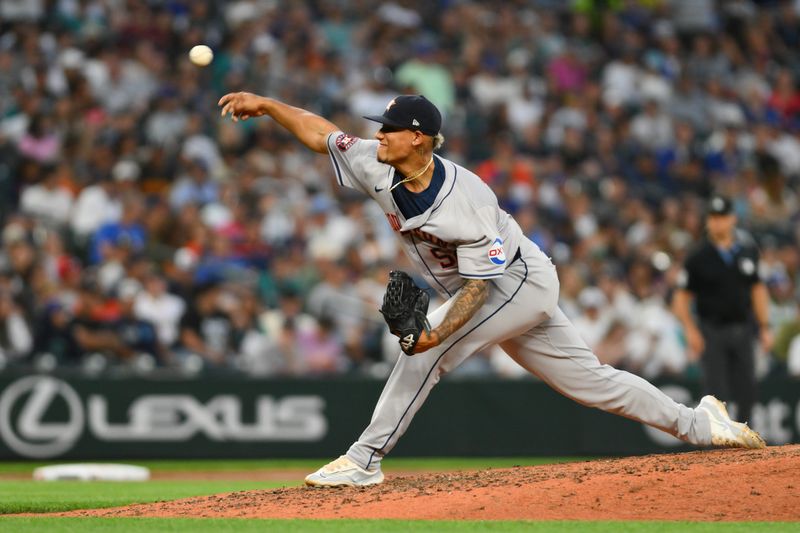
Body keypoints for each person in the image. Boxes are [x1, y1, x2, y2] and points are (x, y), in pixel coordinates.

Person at [217, 91, 766, 488]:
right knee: (591, 381)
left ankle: (364, 460)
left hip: (514, 280)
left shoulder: (466, 199)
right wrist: (267, 105)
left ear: (418, 138)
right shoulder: (374, 161)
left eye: (388, 128)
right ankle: (700, 423)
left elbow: (480, 288)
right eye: (378, 127)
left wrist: (436, 334)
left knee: (423, 355)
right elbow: (319, 131)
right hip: (500, 284)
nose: (377, 134)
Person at [672, 195, 773, 425]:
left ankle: (746, 442)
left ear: (733, 218)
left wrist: (765, 326)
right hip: (712, 330)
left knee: (747, 388)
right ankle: (716, 449)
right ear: (708, 220)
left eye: (722, 217)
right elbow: (680, 298)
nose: (718, 222)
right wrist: (690, 330)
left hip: (742, 328)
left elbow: (758, 290)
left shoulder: (748, 251)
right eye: (714, 217)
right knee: (715, 393)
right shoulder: (697, 257)